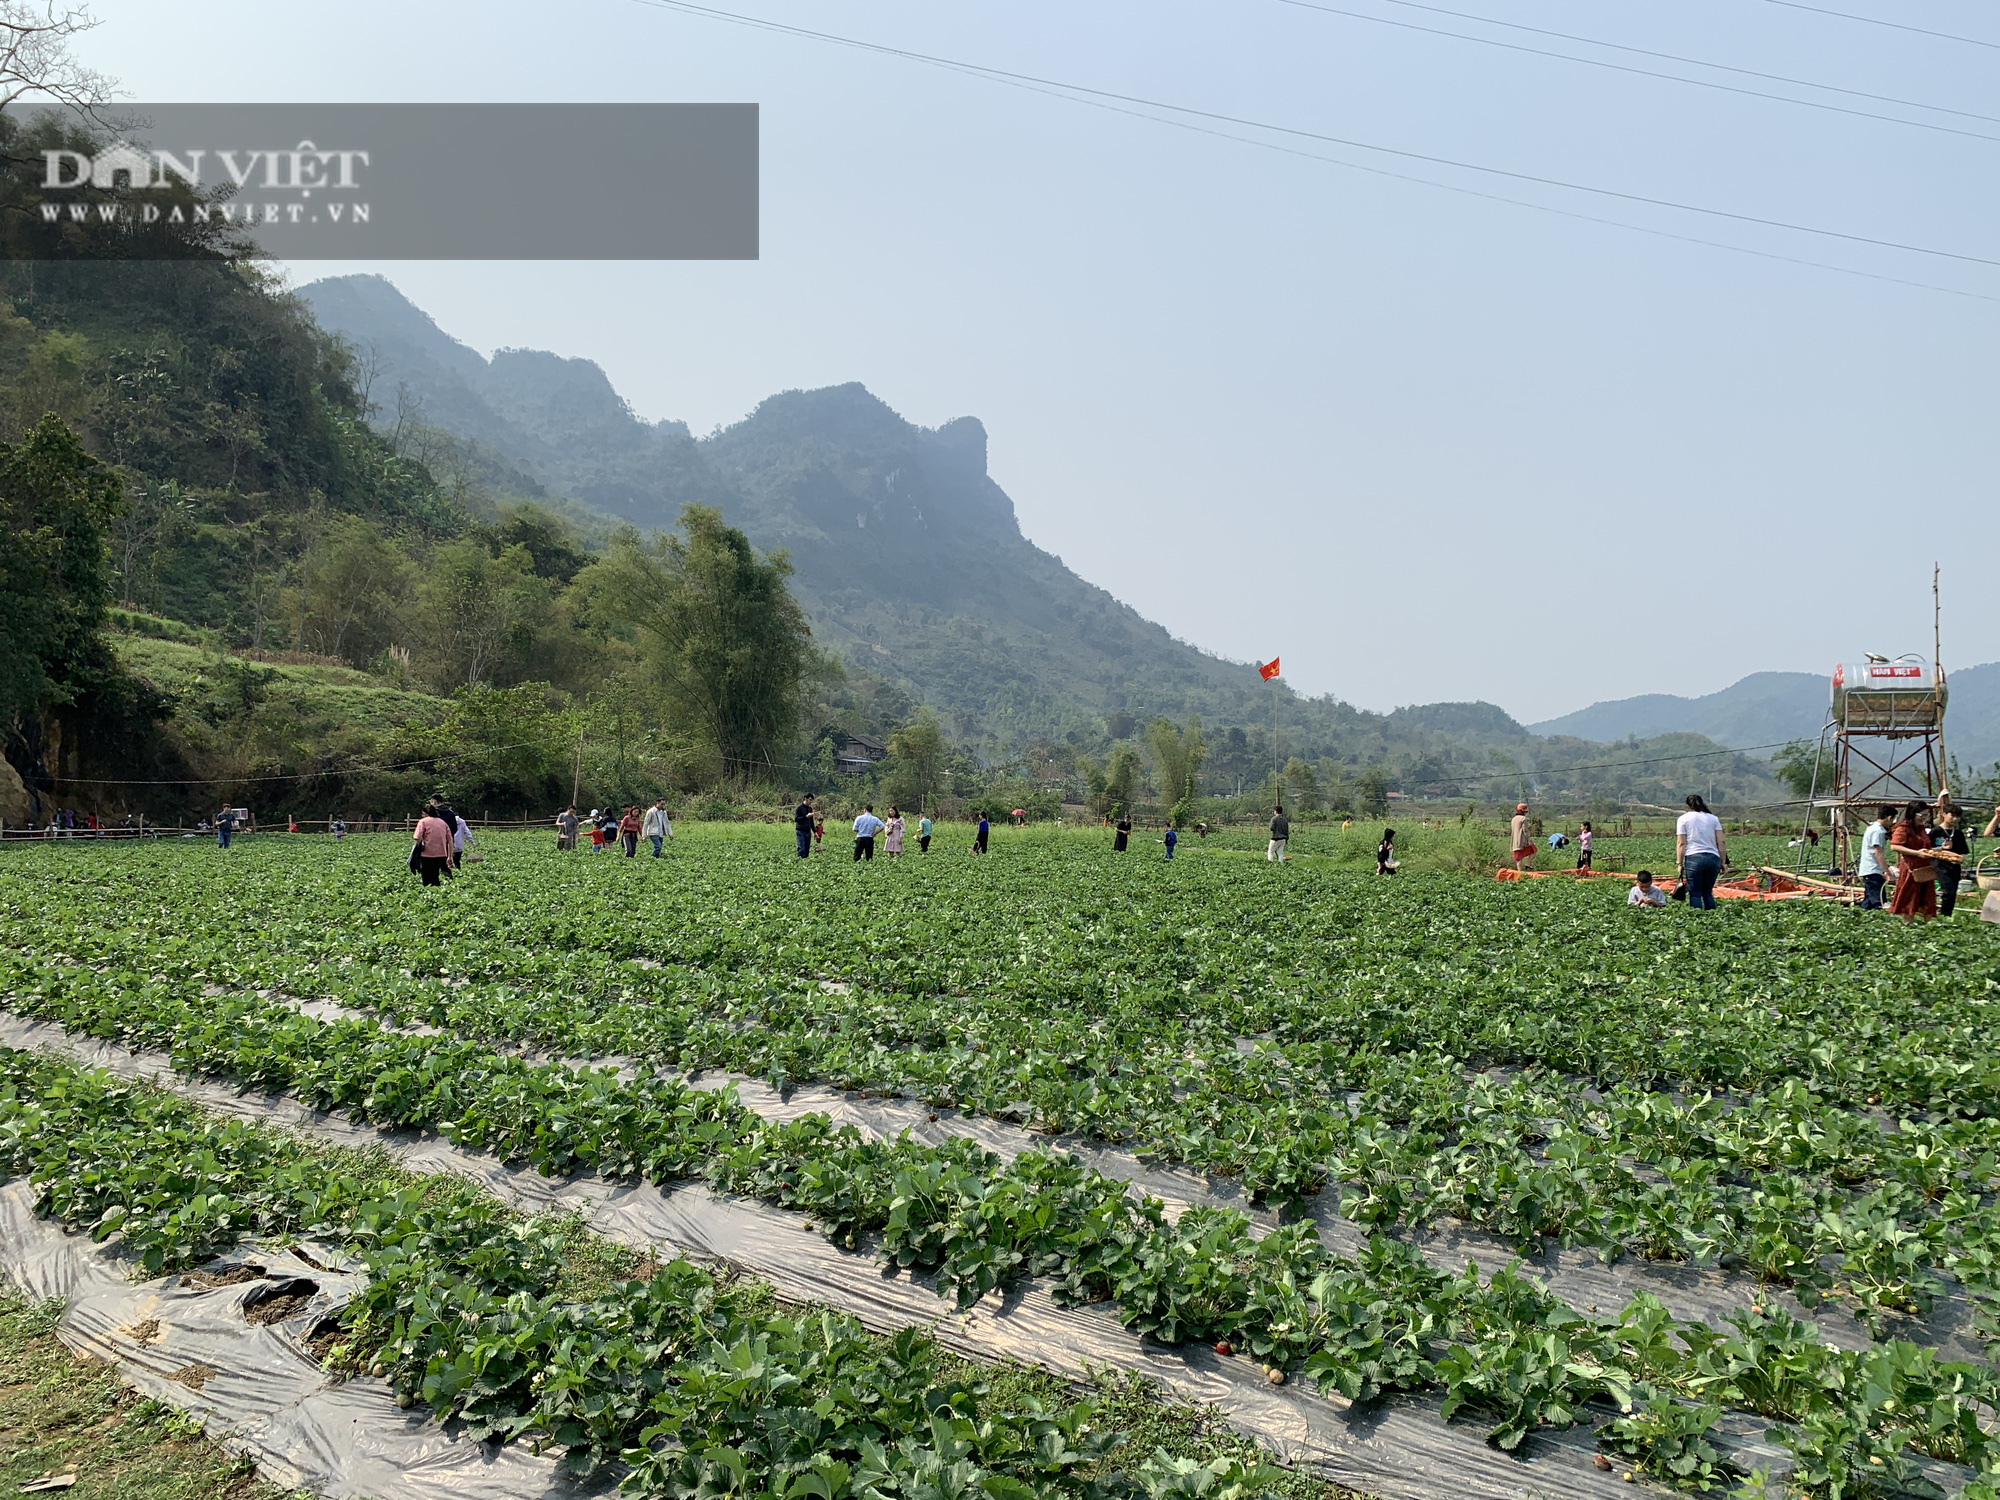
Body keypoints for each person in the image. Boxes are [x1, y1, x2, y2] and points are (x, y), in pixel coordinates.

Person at [1675, 794, 1726, 911]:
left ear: (1687, 806)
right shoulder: (1713, 819)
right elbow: (1721, 841)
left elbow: (1681, 843)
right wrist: (1723, 862)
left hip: (1694, 858)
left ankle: (1697, 920)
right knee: (1707, 893)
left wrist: (1679, 863)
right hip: (1713, 859)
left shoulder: (1683, 819)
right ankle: (1713, 919)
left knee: (1695, 893)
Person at [1890, 799, 1938, 920]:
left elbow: (1926, 847)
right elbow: (1894, 846)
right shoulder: (1903, 828)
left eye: (1926, 816)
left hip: (1925, 869)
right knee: (1909, 898)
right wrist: (1916, 853)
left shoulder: (1921, 829)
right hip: (1910, 869)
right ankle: (1908, 925)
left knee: (1926, 898)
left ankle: (1929, 929)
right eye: (1921, 815)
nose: (1924, 818)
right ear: (1912, 813)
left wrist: (1941, 849)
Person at [1932, 801, 1970, 917]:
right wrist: (1941, 849)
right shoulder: (1936, 831)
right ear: (1944, 814)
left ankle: (1947, 914)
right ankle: (1944, 914)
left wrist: (1960, 859)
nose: (1955, 819)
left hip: (1954, 866)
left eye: (1957, 817)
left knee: (1952, 892)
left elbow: (1963, 851)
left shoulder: (1958, 834)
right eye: (1952, 816)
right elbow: (1928, 849)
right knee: (1948, 891)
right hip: (1940, 865)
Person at [1857, 806, 1895, 909]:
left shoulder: (1871, 828)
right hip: (1873, 870)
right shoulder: (1878, 831)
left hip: (1868, 870)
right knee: (1879, 902)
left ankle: (1862, 920)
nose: (1891, 824)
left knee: (1868, 902)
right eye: (1892, 820)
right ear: (1889, 818)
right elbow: (1878, 853)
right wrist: (1888, 872)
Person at [411, 804, 454, 886]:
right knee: (435, 876)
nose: (422, 816)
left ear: (426, 814)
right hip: (441, 854)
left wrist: (421, 844)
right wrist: (450, 856)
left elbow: (417, 837)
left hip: (427, 854)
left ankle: (429, 894)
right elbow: (450, 840)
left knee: (427, 878)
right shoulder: (443, 822)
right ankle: (437, 893)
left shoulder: (423, 821)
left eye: (423, 814)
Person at [794, 794, 815, 859]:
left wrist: (815, 832)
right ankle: (798, 863)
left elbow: (811, 822)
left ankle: (805, 865)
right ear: (806, 799)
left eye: (811, 800)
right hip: (800, 830)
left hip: (807, 831)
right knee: (801, 849)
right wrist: (806, 817)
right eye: (810, 800)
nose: (810, 802)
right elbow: (796, 819)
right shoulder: (799, 808)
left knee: (806, 850)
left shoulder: (810, 809)